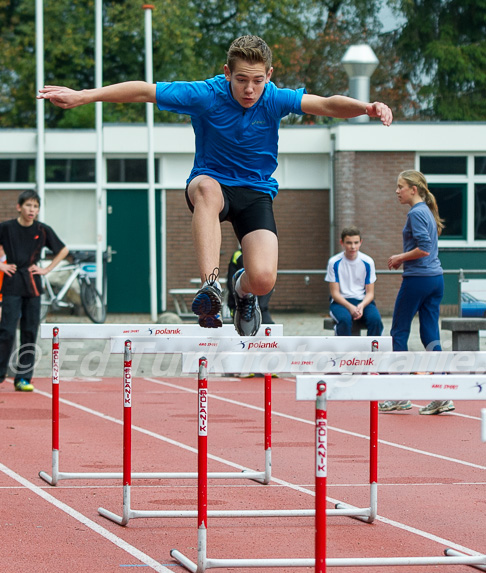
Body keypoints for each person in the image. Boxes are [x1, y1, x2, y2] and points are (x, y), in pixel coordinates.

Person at [38, 35, 393, 337]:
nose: (249, 89)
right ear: (227, 74)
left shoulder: (274, 98)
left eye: (257, 80)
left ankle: (240, 291)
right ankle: (210, 286)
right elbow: (144, 91)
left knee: (263, 279)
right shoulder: (205, 94)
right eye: (241, 80)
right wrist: (84, 96)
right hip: (213, 185)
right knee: (206, 188)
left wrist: (367, 107)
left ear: (269, 75)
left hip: (255, 191)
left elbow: (327, 104)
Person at [378, 170, 454, 416]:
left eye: (401, 186)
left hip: (418, 280)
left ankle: (400, 395)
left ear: (414, 189)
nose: (397, 191)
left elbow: (425, 248)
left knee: (398, 332)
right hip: (435, 280)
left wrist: (400, 257)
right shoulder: (427, 212)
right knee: (430, 334)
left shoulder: (416, 213)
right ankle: (442, 394)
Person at [0, 190, 69, 391]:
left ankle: (23, 378)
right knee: (6, 331)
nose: (32, 210)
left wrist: (46, 269)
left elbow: (63, 250)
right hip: (12, 282)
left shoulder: (43, 229)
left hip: (33, 284)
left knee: (30, 332)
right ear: (19, 207)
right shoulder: (6, 228)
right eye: (29, 205)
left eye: (36, 206)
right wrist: (1, 265)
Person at [325, 226, 383, 336]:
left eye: (356, 243)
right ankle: (344, 351)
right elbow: (335, 293)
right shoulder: (334, 262)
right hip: (340, 302)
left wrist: (361, 306)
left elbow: (370, 293)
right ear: (342, 243)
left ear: (361, 242)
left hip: (363, 301)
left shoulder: (368, 262)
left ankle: (372, 352)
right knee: (344, 320)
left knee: (375, 320)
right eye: (349, 243)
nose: (353, 246)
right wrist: (351, 307)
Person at [227, 248, 274, 324]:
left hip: (261, 306)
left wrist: (261, 305)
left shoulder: (264, 256)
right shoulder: (237, 255)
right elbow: (231, 282)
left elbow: (268, 282)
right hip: (240, 305)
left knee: (268, 327)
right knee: (243, 329)